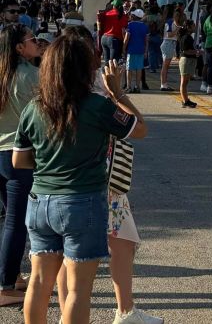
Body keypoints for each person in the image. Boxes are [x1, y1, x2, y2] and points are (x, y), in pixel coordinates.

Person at [12, 35, 147, 324]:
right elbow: (139, 129)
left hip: (39, 202)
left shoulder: (33, 108)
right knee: (78, 289)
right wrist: (118, 93)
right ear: (85, 68)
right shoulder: (98, 106)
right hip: (82, 201)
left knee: (38, 282)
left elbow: (19, 160)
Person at [0, 25, 41, 306]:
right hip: (19, 154)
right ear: (19, 47)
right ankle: (5, 286)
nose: (37, 43)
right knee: (16, 222)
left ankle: (12, 276)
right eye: (32, 39)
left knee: (8, 219)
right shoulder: (29, 75)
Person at [123, 9, 148, 94]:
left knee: (129, 69)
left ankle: (129, 86)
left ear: (134, 16)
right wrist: (146, 51)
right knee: (139, 69)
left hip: (131, 50)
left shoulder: (130, 25)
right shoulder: (145, 26)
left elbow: (126, 39)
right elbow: (146, 40)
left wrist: (123, 49)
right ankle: (137, 86)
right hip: (141, 50)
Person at [160, 6, 182, 92]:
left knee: (166, 65)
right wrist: (177, 30)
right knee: (165, 65)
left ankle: (164, 84)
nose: (177, 16)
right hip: (168, 43)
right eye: (176, 14)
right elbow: (169, 34)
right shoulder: (170, 22)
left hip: (170, 43)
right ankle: (163, 84)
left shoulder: (173, 22)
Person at [178, 21, 199, 109]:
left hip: (189, 60)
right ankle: (185, 101)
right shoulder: (186, 37)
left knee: (186, 82)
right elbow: (185, 50)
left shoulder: (188, 37)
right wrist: (196, 51)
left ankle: (185, 99)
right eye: (193, 26)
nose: (195, 27)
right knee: (184, 82)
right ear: (188, 27)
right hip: (186, 60)